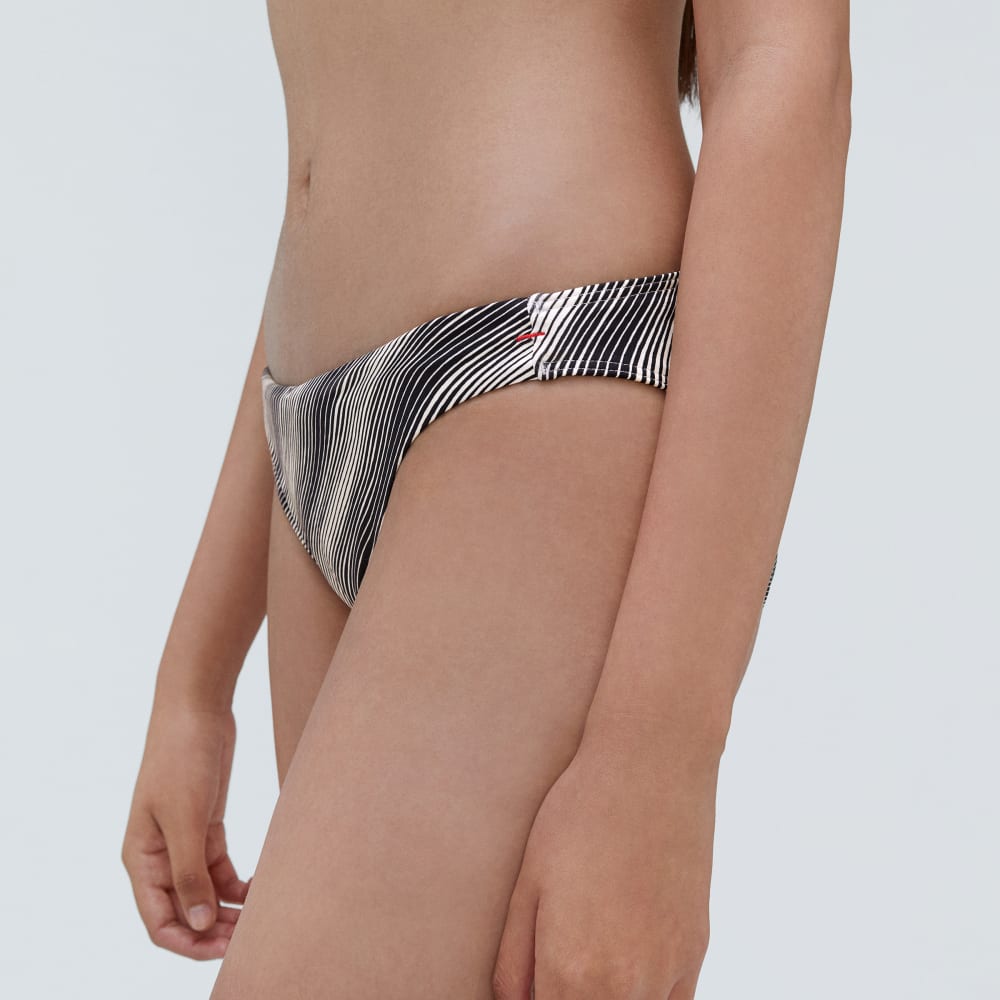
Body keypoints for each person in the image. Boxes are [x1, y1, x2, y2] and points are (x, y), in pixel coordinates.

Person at [121, 0, 851, 996]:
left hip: (539, 371)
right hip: (309, 425)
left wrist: (661, 753)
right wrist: (196, 674)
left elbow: (784, 70)